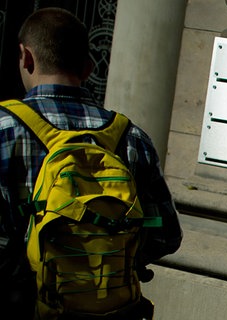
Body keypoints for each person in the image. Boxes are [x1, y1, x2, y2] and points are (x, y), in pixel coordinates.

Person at [0, 7, 183, 319]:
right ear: (87, 67)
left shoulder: (5, 127)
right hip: (111, 310)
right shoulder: (130, 137)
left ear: (26, 57)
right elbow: (166, 235)